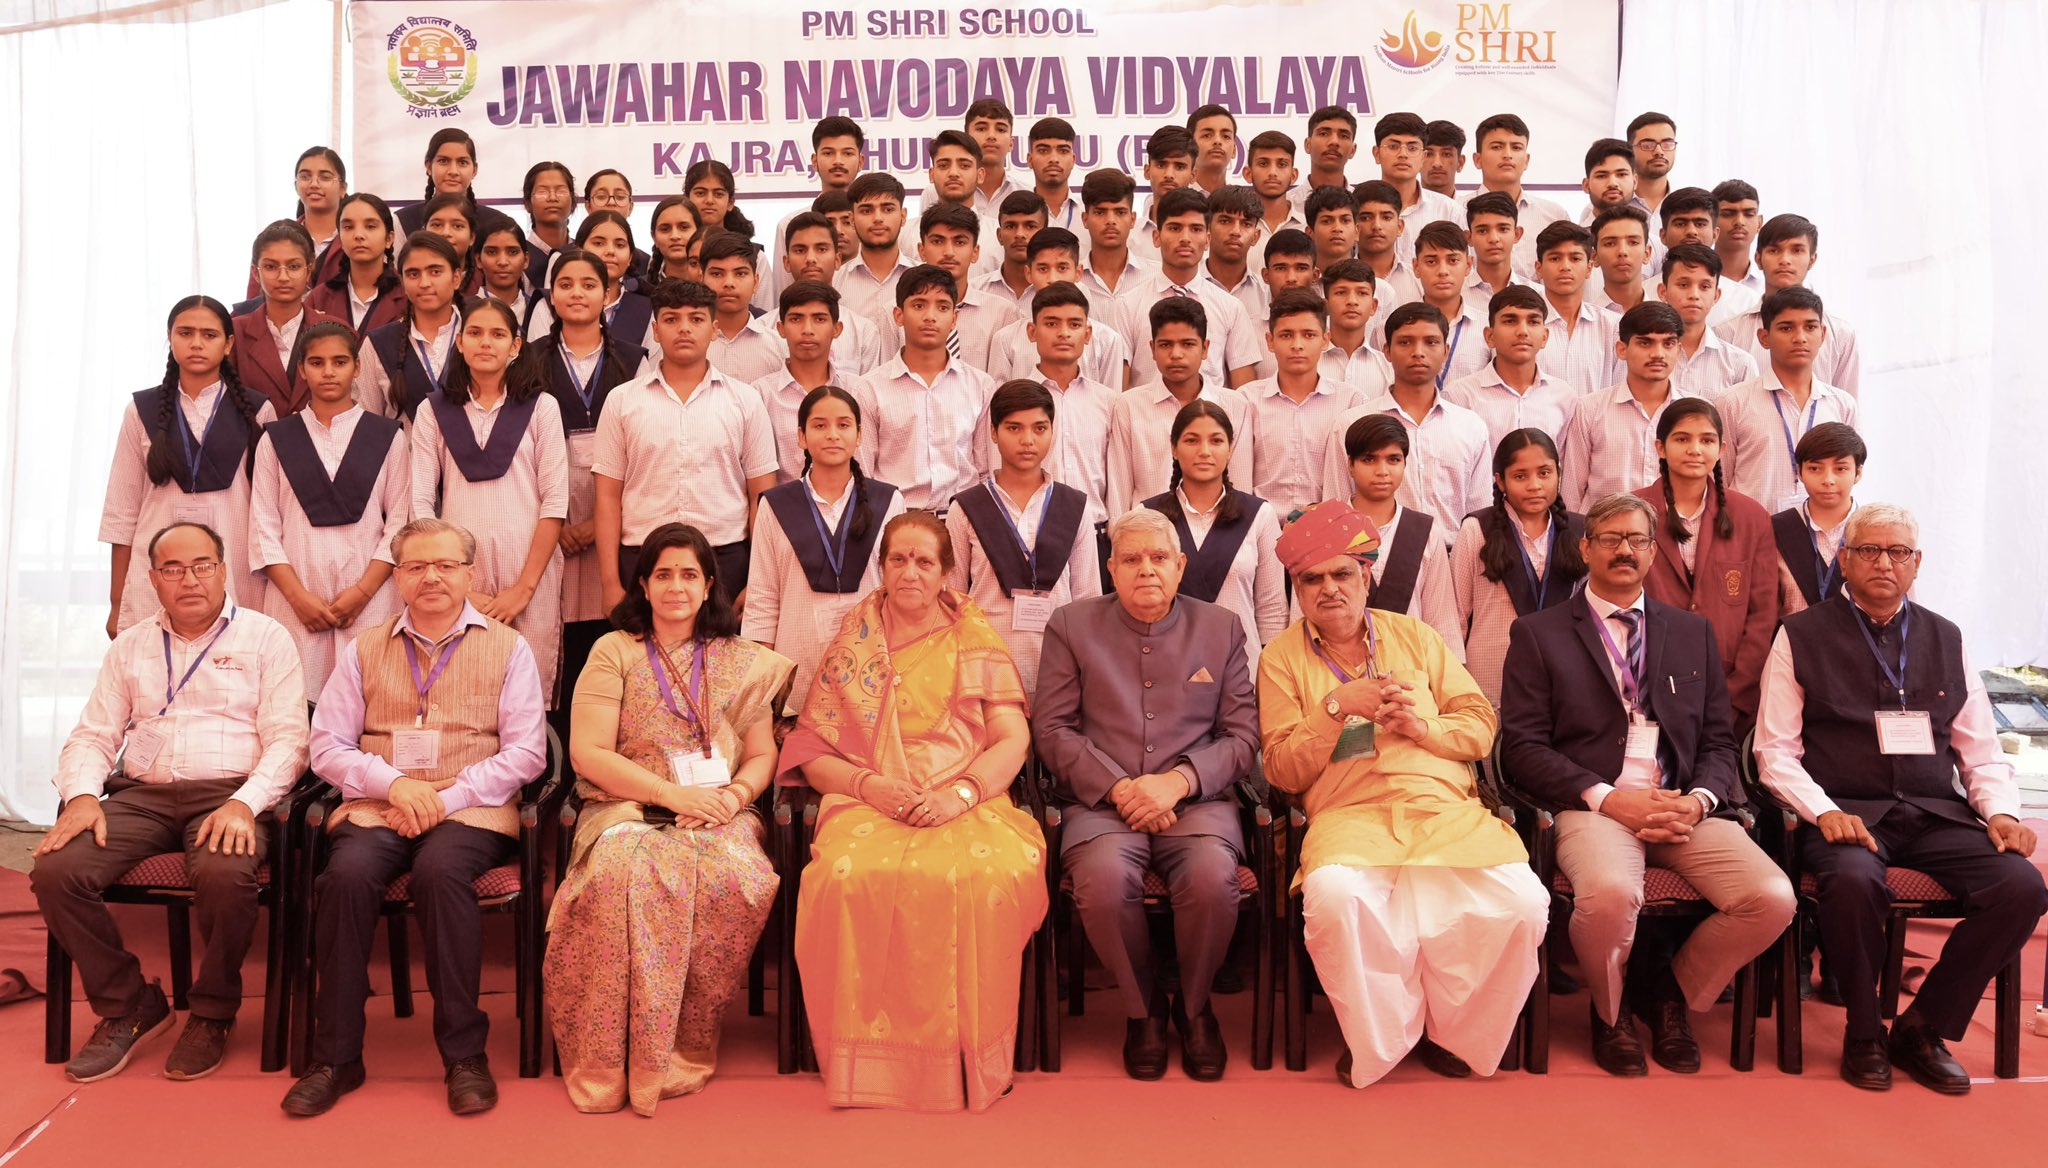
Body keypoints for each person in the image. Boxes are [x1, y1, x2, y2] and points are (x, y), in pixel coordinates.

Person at [1500, 493, 1794, 1076]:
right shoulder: (1539, 634)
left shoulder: (1691, 632)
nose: (1625, 550)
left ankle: (1667, 997)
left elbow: (1716, 738)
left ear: (1653, 549)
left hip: (1682, 807)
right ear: (1585, 548)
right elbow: (1522, 749)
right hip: (1594, 808)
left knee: (1771, 897)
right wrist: (1609, 799)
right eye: (1609, 538)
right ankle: (1610, 1015)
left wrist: (1699, 799)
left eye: (1638, 539)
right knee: (1610, 894)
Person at [1757, 502, 2046, 1094]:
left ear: (1918, 564)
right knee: (1855, 881)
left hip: (1934, 812)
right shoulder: (1800, 635)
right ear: (1843, 559)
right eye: (1868, 550)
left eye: (1899, 553)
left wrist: (2003, 813)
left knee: (2022, 887)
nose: (1884, 563)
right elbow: (1774, 751)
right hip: (1846, 815)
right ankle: (1863, 1031)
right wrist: (1824, 811)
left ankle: (1921, 1027)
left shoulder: (1947, 636)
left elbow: (1980, 750)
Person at [1257, 502, 1546, 1087]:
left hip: (1444, 810)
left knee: (1524, 903)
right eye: (1312, 580)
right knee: (1335, 897)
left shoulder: (1417, 636)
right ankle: (1381, 1039)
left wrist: (1425, 728)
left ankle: (1454, 1034)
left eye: (1342, 574)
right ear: (1298, 589)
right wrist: (1337, 707)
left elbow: (1479, 724)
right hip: (1349, 815)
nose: (1329, 590)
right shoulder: (1280, 659)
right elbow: (1283, 770)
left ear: (1366, 575)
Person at [782, 512, 1047, 1112]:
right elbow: (812, 752)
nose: (910, 572)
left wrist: (961, 794)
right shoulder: (857, 642)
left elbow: (1012, 739)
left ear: (947, 573)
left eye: (924, 561)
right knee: (846, 876)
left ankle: (962, 1055)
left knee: (981, 878)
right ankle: (866, 1065)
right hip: (867, 797)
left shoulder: (973, 637)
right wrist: (870, 787)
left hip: (966, 795)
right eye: (898, 560)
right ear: (881, 569)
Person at [282, 518, 547, 1117]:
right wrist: (397, 785)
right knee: (345, 879)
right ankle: (338, 1056)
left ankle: (464, 1056)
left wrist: (444, 799)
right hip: (380, 804)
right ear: (397, 577)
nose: (432, 577)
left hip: (472, 808)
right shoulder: (363, 649)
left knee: (440, 875)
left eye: (447, 565)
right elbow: (325, 747)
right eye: (417, 566)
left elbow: (528, 752)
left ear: (470, 574)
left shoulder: (510, 646)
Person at [33, 522, 308, 1083]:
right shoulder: (132, 644)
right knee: (56, 869)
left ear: (223, 570)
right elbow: (93, 736)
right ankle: (128, 1003)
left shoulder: (266, 638)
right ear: (154, 578)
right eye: (174, 569)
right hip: (142, 796)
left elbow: (290, 740)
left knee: (225, 870)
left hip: (228, 794)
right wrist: (83, 796)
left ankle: (212, 1010)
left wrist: (244, 804)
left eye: (203, 565)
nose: (190, 579)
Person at [548, 524, 792, 1114]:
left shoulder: (738, 659)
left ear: (710, 585)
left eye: (689, 575)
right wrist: (670, 795)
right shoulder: (615, 650)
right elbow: (588, 754)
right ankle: (608, 1053)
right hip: (625, 803)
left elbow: (762, 754)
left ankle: (685, 1039)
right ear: (643, 583)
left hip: (717, 810)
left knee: (739, 877)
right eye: (663, 574)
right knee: (616, 873)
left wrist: (736, 797)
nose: (676, 587)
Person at [1034, 506, 1259, 1081]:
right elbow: (1053, 729)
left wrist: (1177, 782)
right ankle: (1144, 1012)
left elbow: (1241, 737)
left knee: (1213, 882)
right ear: (1111, 569)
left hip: (1198, 804)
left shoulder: (1222, 627)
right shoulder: (1071, 624)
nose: (1146, 571)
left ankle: (1195, 1005)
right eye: (1131, 559)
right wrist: (1120, 787)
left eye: (1159, 558)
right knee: (1103, 885)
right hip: (1100, 805)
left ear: (1181, 566)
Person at [409, 296, 570, 698]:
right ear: (459, 343)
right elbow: (421, 503)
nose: (486, 343)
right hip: (459, 571)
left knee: (527, 692)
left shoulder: (540, 408)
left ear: (515, 346)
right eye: (476, 333)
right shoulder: (434, 410)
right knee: (464, 690)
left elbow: (555, 502)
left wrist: (524, 589)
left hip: (529, 570)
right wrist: (453, 580)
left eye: (498, 334)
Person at [594, 278, 777, 613]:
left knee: (720, 663)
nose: (683, 329)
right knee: (645, 663)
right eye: (671, 319)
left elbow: (761, 497)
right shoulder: (622, 401)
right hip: (641, 558)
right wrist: (609, 584)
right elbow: (607, 497)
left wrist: (757, 580)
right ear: (656, 330)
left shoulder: (746, 401)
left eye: (696, 319)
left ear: (714, 329)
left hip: (725, 557)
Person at [250, 322, 409, 692]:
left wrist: (362, 593)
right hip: (296, 596)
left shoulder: (388, 436)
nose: (328, 372)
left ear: (357, 366)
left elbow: (399, 524)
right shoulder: (276, 438)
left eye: (339, 361)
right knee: (293, 704)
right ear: (302, 370)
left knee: (370, 701)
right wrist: (298, 598)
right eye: (317, 362)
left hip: (371, 595)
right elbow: (263, 526)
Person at [103, 296, 275, 636]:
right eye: (185, 333)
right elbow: (121, 511)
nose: (197, 343)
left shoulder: (258, 411)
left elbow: (268, 510)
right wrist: (116, 601)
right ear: (170, 337)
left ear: (228, 344)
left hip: (235, 568)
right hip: (155, 571)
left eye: (209, 335)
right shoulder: (141, 410)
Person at [526, 249, 647, 710]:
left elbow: (645, 443)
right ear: (551, 296)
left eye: (589, 284)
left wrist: (596, 523)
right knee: (554, 626)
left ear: (608, 293)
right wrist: (559, 525)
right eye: (566, 284)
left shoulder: (636, 360)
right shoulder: (529, 359)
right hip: (548, 505)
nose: (577, 293)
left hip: (616, 501)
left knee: (606, 622)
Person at [745, 387, 905, 709]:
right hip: (797, 663)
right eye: (820, 426)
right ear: (801, 437)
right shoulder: (776, 505)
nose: (833, 435)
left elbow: (898, 592)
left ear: (860, 435)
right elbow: (763, 598)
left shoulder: (888, 501)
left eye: (844, 425)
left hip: (872, 664)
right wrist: (766, 686)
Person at [1632, 396, 1779, 728]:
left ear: (1722, 449)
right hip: (1645, 686)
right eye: (1682, 439)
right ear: (1660, 447)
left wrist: (1735, 694)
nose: (1695, 449)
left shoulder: (1752, 517)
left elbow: (1763, 614)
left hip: (1729, 696)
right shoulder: (1631, 511)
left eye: (1706, 440)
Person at [947, 381, 1102, 694]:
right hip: (985, 669)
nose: (1027, 440)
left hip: (1059, 668)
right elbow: (953, 600)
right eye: (1014, 428)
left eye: (1039, 428)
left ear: (1052, 431)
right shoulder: (965, 507)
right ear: (993, 432)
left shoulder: (1075, 506)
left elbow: (1088, 600)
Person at [1321, 302, 1490, 541]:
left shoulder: (1470, 427)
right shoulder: (1352, 423)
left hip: (1453, 558)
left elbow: (1480, 514)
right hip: (1375, 561)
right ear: (1387, 351)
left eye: (1430, 342)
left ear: (1446, 351)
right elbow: (1337, 508)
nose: (1418, 352)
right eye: (1405, 342)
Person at [1449, 429, 1587, 704]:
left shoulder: (1579, 529)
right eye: (1520, 476)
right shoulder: (1477, 529)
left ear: (1559, 473)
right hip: (1490, 676)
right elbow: (1455, 616)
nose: (1534, 485)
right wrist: (1455, 682)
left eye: (1544, 473)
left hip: (1563, 675)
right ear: (1500, 481)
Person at [849, 265, 999, 513]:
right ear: (899, 315)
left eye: (942, 307)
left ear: (954, 318)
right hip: (896, 520)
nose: (930, 316)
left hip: (963, 518)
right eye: (919, 305)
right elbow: (864, 473)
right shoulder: (868, 389)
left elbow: (986, 470)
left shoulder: (980, 385)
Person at [1143, 401, 1284, 661]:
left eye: (1216, 441)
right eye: (1192, 441)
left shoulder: (1258, 515)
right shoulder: (1148, 515)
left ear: (1230, 449)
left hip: (1242, 665)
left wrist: (1271, 674)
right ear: (1174, 448)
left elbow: (1271, 609)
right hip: (1165, 662)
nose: (1204, 451)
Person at [1328, 415, 1463, 654]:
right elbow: (1304, 615)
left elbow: (1442, 622)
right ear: (1350, 464)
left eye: (1393, 459)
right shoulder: (1326, 526)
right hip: (1333, 665)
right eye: (1369, 459)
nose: (1382, 471)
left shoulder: (1424, 531)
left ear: (1404, 464)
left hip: (1411, 669)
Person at [1106, 297, 1253, 515]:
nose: (1176, 354)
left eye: (1187, 344)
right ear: (1152, 349)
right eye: (1165, 345)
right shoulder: (1129, 406)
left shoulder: (1235, 405)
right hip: (1147, 536)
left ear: (1205, 348)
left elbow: (1240, 486)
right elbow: (1120, 486)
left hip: (1219, 533)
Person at [1718, 287, 1858, 512]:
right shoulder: (1733, 402)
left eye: (1810, 327)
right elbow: (1720, 481)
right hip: (1752, 537)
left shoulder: (1842, 405)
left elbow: (1848, 476)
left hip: (1818, 537)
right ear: (1764, 338)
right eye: (1786, 328)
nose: (1800, 337)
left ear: (1822, 335)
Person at [994, 281, 1118, 531]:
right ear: (1032, 331)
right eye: (1051, 324)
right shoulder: (1011, 399)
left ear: (1087, 333)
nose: (1064, 333)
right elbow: (995, 468)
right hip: (1025, 532)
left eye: (1074, 324)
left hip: (1095, 531)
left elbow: (1117, 479)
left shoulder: (1109, 402)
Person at [1110, 187, 1263, 389]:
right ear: (1156, 237)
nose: (1185, 238)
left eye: (1196, 229)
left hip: (1212, 418)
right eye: (1175, 228)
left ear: (1208, 239)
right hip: (1146, 418)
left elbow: (1244, 394)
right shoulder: (1127, 305)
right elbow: (1118, 391)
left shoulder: (1231, 308)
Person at [1713, 214, 1860, 395]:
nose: (1785, 260)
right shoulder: (1728, 332)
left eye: (1797, 250)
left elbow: (1847, 407)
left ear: (1812, 260)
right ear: (1758, 259)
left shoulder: (1840, 333)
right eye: (1774, 250)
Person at [1560, 302, 1685, 510]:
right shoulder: (1590, 409)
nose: (1658, 354)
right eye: (1646, 343)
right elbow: (1572, 492)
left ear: (1679, 350)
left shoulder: (1694, 412)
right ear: (1622, 349)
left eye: (1668, 343)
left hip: (1673, 536)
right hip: (1603, 537)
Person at [988, 227, 1133, 386]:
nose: (1053, 278)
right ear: (1028, 273)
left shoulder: (1107, 340)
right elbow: (999, 405)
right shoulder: (1005, 340)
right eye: (1043, 269)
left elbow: (1111, 404)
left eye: (1062, 268)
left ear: (1078, 272)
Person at [234, 220, 348, 415]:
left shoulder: (337, 332)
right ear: (255, 272)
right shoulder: (234, 333)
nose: (283, 277)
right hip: (252, 443)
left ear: (308, 269)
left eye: (294, 266)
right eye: (271, 267)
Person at [1442, 285, 1573, 448]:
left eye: (1533, 321)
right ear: (1490, 336)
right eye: (1510, 321)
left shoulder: (1564, 397)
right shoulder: (1459, 397)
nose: (1523, 331)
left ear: (1545, 337)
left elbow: (1568, 467)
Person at [355, 231, 464, 422]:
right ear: (403, 281)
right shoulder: (379, 344)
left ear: (456, 278)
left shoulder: (480, 335)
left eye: (435, 272)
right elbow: (368, 425)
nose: (424, 283)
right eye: (413, 274)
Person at [774, 212, 889, 376]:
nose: (811, 259)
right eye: (800, 250)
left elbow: (867, 394)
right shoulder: (765, 329)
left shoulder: (863, 331)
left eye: (821, 249)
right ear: (786, 262)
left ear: (837, 260)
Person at [1459, 113, 1569, 279]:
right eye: (1497, 147)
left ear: (1526, 160)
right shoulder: (1455, 210)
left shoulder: (1553, 215)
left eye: (1516, 147)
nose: (1507, 155)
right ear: (1477, 159)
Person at [1773, 422, 1865, 615]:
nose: (1828, 480)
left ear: (1858, 473)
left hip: (1863, 643)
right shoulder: (1775, 530)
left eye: (1840, 469)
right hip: (1792, 642)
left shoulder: (1877, 531)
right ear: (1799, 472)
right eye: (1815, 469)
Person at [917, 201, 1020, 366]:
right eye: (937, 241)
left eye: (960, 242)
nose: (949, 252)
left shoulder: (1003, 313)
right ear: (921, 251)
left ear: (975, 252)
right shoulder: (897, 312)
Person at [1656, 244, 1758, 400]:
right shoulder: (1642, 355)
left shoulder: (1739, 364)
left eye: (1705, 286)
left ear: (1716, 296)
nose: (1694, 295)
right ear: (1663, 292)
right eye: (1683, 285)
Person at [1532, 222, 1619, 394]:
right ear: (1539, 268)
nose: (1565, 267)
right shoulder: (1521, 326)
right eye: (1555, 258)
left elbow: (1620, 391)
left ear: (1589, 268)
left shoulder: (1613, 326)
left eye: (1575, 258)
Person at [306, 192, 407, 338]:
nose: (359, 235)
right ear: (339, 238)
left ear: (389, 239)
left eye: (370, 226)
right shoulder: (320, 297)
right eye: (348, 227)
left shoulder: (407, 294)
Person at [394, 129, 514, 240]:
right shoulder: (404, 221)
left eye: (462, 162)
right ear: (429, 167)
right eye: (443, 161)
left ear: (474, 170)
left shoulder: (497, 221)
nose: (453, 171)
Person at [1410, 221, 1490, 386]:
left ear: (1468, 265)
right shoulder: (1391, 328)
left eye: (1453, 260)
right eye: (1431, 262)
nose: (1443, 271)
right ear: (1416, 267)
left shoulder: (1487, 327)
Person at [1371, 112, 1459, 262]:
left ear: (1423, 157)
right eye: (1393, 146)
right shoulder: (1356, 205)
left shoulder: (1449, 211)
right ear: (1377, 153)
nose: (1403, 154)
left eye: (1412, 148)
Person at [832, 173, 915, 333]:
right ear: (852, 219)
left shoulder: (925, 281)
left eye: (888, 209)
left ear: (903, 216)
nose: (878, 218)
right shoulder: (835, 283)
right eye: (866, 210)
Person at [975, 190, 1049, 313]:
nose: (1020, 234)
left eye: (1030, 226)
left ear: (1045, 233)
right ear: (999, 235)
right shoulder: (976, 291)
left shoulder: (1065, 291)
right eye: (1010, 226)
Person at [1462, 192, 1536, 311]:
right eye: (1482, 231)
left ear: (1517, 234)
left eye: (1503, 229)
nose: (1493, 239)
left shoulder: (1539, 295)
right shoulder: (1454, 296)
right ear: (1469, 237)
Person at [1589, 205, 1656, 319]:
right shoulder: (1583, 322)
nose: (1622, 251)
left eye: (1633, 242)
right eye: (1610, 243)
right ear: (1594, 257)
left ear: (1647, 253)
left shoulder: (1671, 320)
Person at [517, 161, 575, 287]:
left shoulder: (583, 253)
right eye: (542, 192)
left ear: (573, 202)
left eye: (561, 191)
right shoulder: (517, 257)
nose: (553, 198)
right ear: (527, 203)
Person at [1245, 130, 1304, 242]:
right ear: (1248, 173)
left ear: (1293, 175)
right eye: (1263, 163)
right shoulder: (1235, 229)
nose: (1272, 172)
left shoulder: (1309, 227)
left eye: (1282, 164)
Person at [1026, 116, 1082, 230]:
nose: (1054, 159)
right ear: (1030, 160)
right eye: (1043, 150)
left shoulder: (1089, 213)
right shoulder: (1016, 216)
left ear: (1073, 160)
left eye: (1063, 151)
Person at [966, 99, 1020, 217]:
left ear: (1011, 144)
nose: (991, 136)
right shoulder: (937, 193)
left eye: (1000, 129)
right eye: (981, 129)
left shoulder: (1027, 194)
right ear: (966, 138)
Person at [1711, 180, 1765, 297]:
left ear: (1759, 223)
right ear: (1711, 221)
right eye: (1728, 214)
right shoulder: (1693, 283)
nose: (1739, 222)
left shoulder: (1768, 286)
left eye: (1749, 214)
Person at [1627, 112, 1678, 216]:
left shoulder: (1686, 205)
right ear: (1629, 149)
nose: (1659, 151)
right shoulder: (1611, 204)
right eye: (1647, 145)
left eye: (1667, 144)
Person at [1189, 103, 1238, 195]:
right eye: (1207, 135)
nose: (1217, 141)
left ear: (1234, 150)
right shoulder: (1174, 202)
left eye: (1226, 136)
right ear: (1190, 146)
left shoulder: (1242, 204)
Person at [811, 114, 866, 194]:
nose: (838, 161)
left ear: (860, 162)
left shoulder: (876, 206)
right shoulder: (810, 207)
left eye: (847, 153)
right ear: (815, 162)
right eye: (828, 153)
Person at [1420, 120, 1465, 202]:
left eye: (1446, 154)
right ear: (1417, 160)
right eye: (1429, 154)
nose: (1437, 164)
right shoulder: (1396, 210)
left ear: (1460, 162)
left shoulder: (1470, 212)